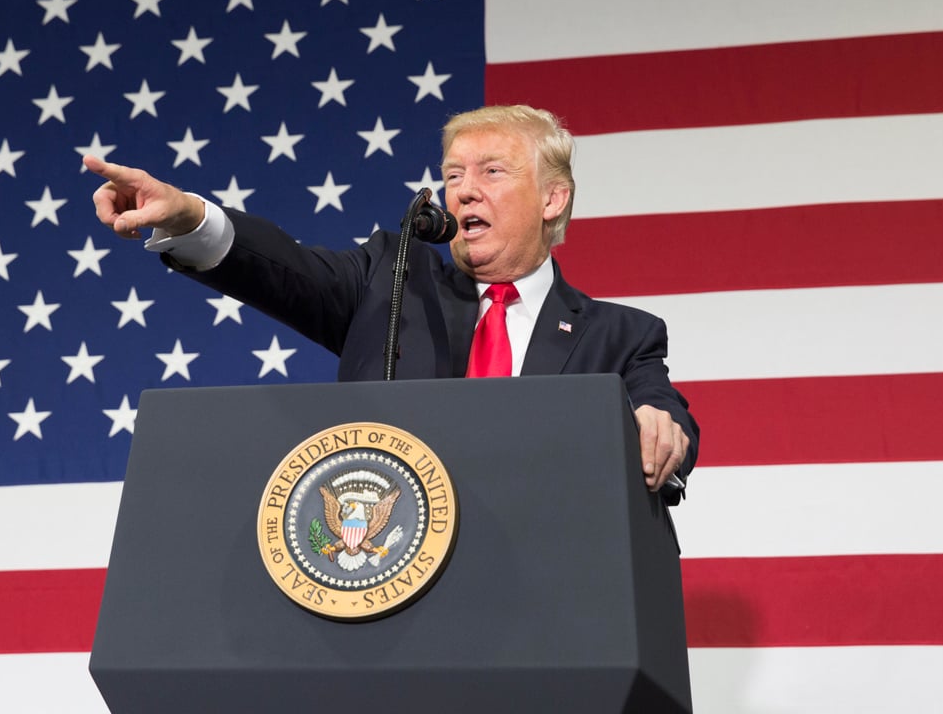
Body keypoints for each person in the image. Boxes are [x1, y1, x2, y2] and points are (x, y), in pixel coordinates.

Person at [86, 104, 698, 497]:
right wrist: (191, 215)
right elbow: (283, 268)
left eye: (491, 173)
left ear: (553, 199)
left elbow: (665, 413)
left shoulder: (621, 334)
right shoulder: (390, 280)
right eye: (453, 175)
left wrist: (658, 427)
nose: (463, 193)